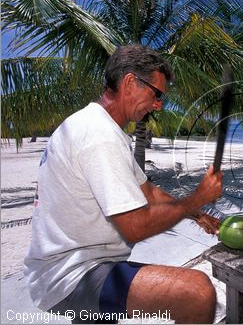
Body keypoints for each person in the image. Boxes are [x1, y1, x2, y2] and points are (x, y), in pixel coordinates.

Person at [24, 44, 223, 324]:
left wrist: (197, 214)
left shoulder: (97, 127)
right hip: (73, 272)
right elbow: (136, 226)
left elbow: (149, 192)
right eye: (156, 94)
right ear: (130, 83)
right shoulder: (99, 135)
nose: (159, 105)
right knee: (197, 292)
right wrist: (197, 198)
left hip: (69, 264)